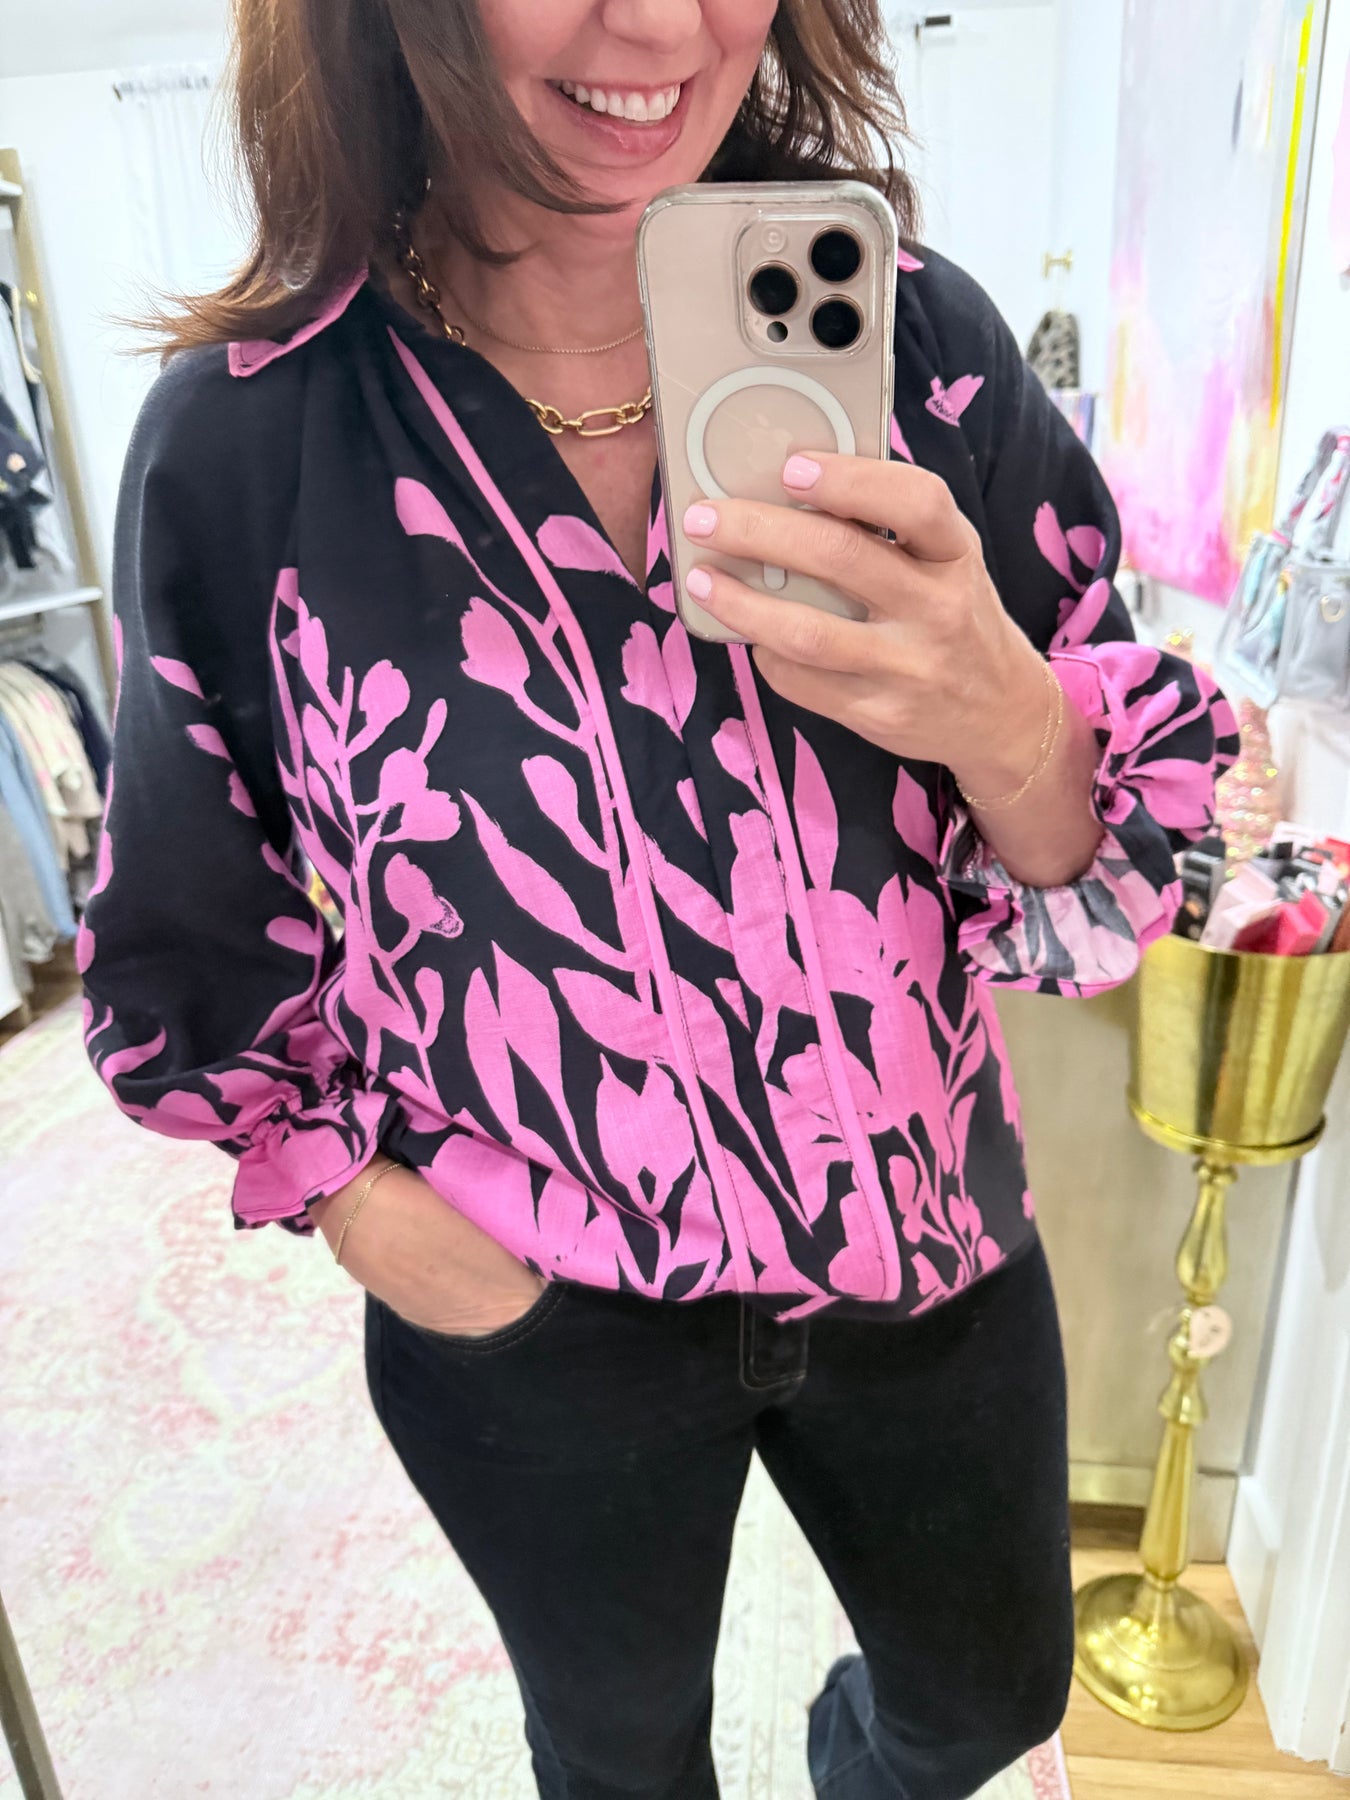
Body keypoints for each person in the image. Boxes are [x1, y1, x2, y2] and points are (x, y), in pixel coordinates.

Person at [81, 2, 1238, 1794]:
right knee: (619, 1762)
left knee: (985, 1704)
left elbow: (1118, 854)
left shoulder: (919, 352)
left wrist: (1003, 715)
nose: (659, 22)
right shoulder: (251, 440)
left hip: (922, 1239)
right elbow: (185, 929)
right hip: (536, 1312)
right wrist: (367, 1210)